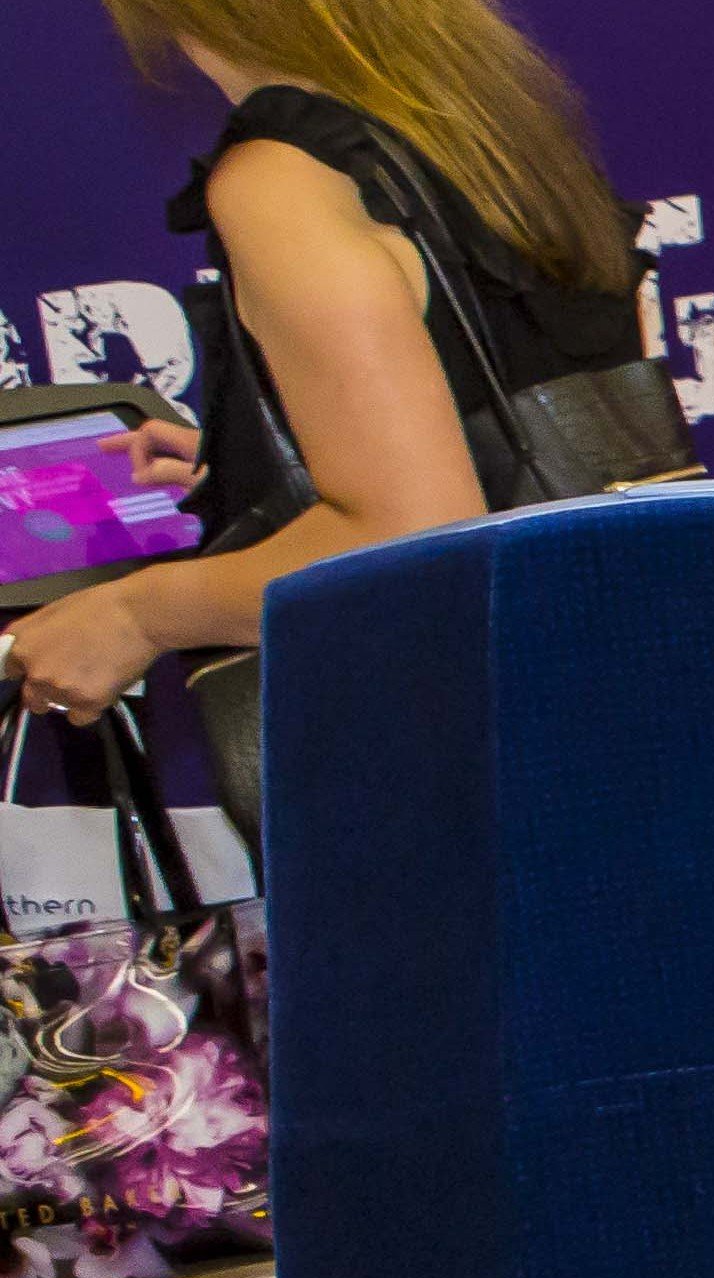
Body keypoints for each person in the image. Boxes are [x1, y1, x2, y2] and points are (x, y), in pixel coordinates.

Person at [8, 0, 656, 794]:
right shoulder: (477, 123)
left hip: (473, 768)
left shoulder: (285, 178)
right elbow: (501, 410)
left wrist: (135, 613)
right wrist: (262, 463)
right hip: (615, 696)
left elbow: (412, 542)